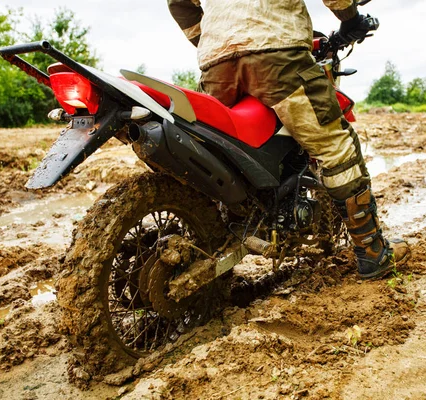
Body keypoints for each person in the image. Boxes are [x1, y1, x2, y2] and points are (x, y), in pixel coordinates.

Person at [168, 0, 410, 279]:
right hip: (277, 50)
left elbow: (179, 2)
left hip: (216, 64)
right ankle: (373, 253)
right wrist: (350, 17)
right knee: (336, 147)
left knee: (219, 152)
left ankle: (214, 239)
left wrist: (212, 37)